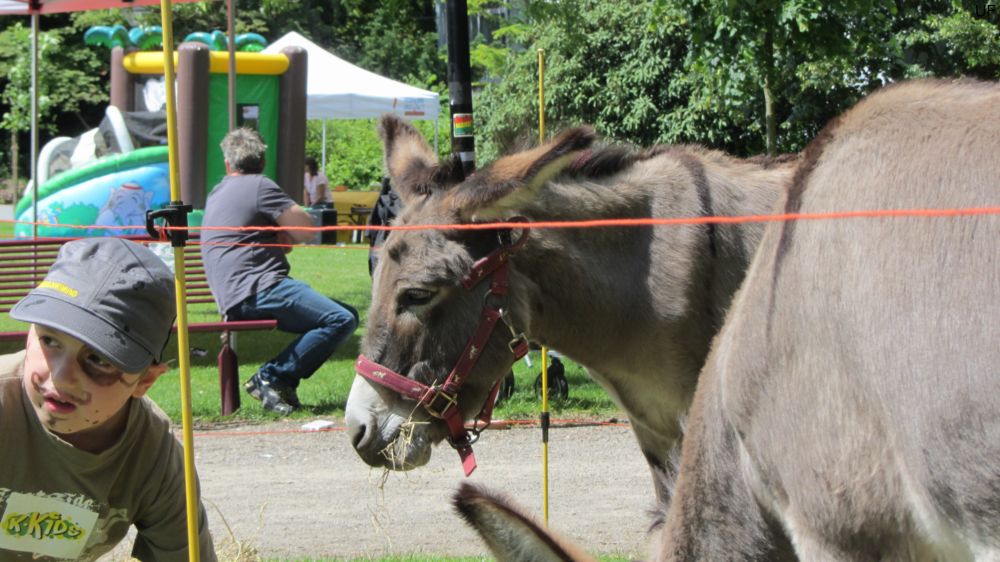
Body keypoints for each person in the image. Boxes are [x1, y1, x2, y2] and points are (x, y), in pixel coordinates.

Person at [0, 237, 217, 561]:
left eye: (99, 359)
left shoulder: (153, 454)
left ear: (145, 380)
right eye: (49, 340)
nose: (61, 376)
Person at [201, 128, 359, 415]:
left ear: (227, 163)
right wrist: (281, 231)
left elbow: (278, 240)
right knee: (340, 319)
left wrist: (274, 234)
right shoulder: (259, 186)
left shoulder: (218, 191)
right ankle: (273, 377)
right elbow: (306, 229)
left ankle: (282, 383)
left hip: (235, 292)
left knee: (348, 315)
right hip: (257, 288)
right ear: (262, 161)